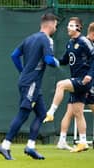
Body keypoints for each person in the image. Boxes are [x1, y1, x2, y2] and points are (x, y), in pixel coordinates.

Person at [0, 13, 59, 160]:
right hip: (31, 83)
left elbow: (14, 55)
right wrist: (56, 62)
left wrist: (22, 71)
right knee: (23, 113)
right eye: (55, 25)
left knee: (41, 114)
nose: (56, 28)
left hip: (31, 82)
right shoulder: (46, 40)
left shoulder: (30, 38)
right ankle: (5, 145)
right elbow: (49, 60)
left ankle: (30, 147)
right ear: (50, 25)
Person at [43, 17, 94, 152]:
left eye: (71, 26)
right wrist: (53, 61)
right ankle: (83, 141)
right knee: (77, 112)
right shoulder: (70, 43)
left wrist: (90, 75)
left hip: (83, 81)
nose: (68, 28)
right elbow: (65, 60)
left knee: (60, 84)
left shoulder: (84, 41)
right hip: (77, 80)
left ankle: (51, 112)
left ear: (78, 28)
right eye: (68, 25)